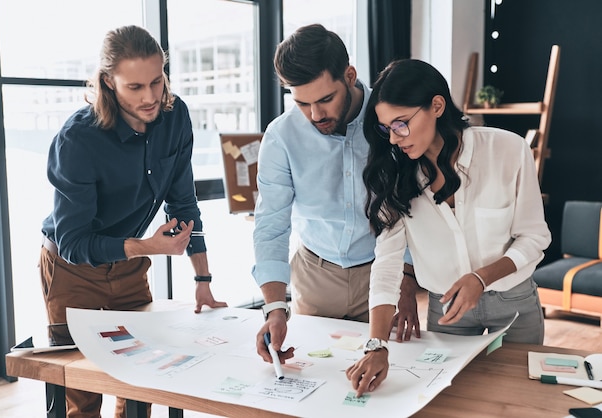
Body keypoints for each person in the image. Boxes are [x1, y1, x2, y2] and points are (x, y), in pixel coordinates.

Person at [39, 25, 227, 417]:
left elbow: (184, 204)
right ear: (108, 82)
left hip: (128, 264)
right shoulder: (78, 139)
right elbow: (74, 243)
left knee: (140, 378)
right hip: (72, 270)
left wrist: (203, 280)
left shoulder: (176, 118)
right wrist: (146, 247)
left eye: (156, 82)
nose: (150, 97)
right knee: (82, 393)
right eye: (135, 87)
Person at [346, 59, 551, 397]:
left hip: (514, 301)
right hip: (447, 310)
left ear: (437, 106)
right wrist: (376, 344)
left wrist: (481, 277)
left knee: (519, 398)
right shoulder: (395, 175)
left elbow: (534, 236)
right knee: (453, 400)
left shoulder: (507, 149)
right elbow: (386, 264)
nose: (394, 139)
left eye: (401, 124)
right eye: (386, 129)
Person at [251, 24, 420, 366]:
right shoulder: (281, 136)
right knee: (317, 380)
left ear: (350, 76)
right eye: (302, 103)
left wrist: (407, 277)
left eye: (326, 99)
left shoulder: (391, 118)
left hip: (382, 272)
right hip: (315, 275)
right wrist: (274, 307)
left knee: (389, 382)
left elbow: (416, 201)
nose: (316, 115)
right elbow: (271, 224)